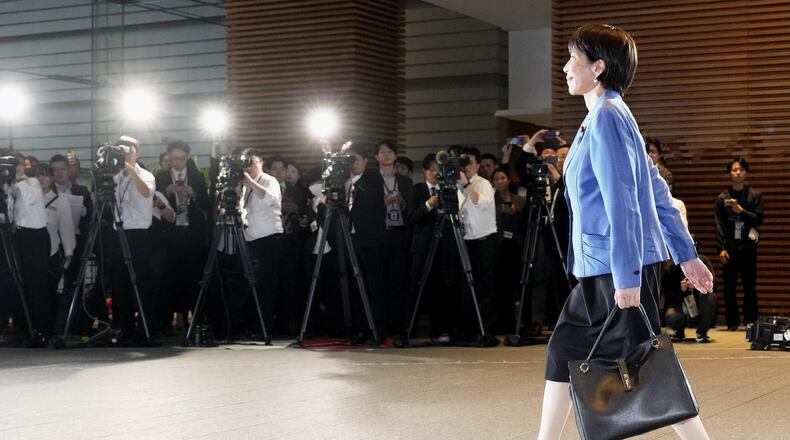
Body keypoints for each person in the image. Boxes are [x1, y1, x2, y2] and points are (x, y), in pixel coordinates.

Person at [537, 24, 713, 440]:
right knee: (565, 352)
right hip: (605, 266)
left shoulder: (608, 118)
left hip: (613, 267)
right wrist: (685, 253)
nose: (564, 68)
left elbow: (626, 202)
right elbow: (658, 191)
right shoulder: (607, 114)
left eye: (572, 60)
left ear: (597, 67)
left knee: (648, 365)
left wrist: (628, 275)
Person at [111, 136, 157, 344]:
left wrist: (131, 169)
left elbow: (146, 193)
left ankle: (145, 329)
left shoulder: (145, 174)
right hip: (119, 233)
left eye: (128, 150)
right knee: (120, 285)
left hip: (139, 234)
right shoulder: (115, 176)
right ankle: (124, 328)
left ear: (137, 152)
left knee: (142, 284)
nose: (124, 154)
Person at [714, 157, 763, 331]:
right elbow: (719, 225)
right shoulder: (722, 198)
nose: (738, 173)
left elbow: (759, 219)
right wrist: (721, 248)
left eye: (741, 169)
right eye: (734, 170)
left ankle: (751, 320)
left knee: (750, 285)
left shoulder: (755, 195)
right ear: (729, 173)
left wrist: (740, 211)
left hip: (749, 246)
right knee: (729, 286)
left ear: (746, 173)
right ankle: (732, 322)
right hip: (730, 248)